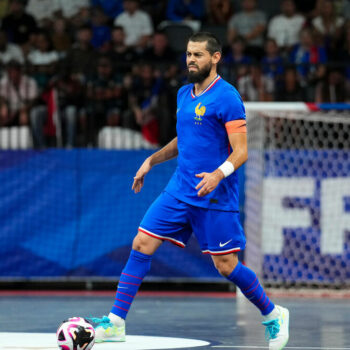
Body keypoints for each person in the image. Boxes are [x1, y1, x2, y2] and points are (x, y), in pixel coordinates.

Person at [90, 32, 290, 350]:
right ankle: (115, 323)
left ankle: (273, 313)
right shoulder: (184, 94)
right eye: (188, 54)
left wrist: (217, 175)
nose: (191, 60)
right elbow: (183, 141)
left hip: (214, 196)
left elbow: (241, 152)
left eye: (198, 54)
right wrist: (151, 161)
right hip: (179, 189)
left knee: (225, 266)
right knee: (142, 243)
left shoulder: (227, 97)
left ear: (215, 57)